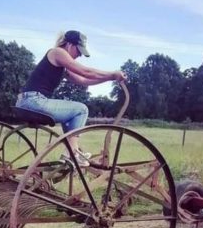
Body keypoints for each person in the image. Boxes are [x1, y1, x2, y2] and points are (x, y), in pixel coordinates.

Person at [15, 30, 127, 166]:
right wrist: (112, 73)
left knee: (73, 112)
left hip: (28, 102)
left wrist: (110, 78)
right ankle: (72, 153)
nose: (78, 55)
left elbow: (83, 80)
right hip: (33, 101)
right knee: (81, 109)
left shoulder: (62, 65)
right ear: (69, 45)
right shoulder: (57, 53)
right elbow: (85, 71)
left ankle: (72, 152)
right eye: (78, 51)